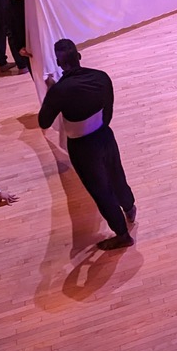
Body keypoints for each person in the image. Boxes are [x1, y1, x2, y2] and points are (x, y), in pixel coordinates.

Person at [37, 39, 138, 251]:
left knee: (100, 189)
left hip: (82, 147)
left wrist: (51, 92)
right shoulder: (101, 77)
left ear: (58, 62)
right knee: (116, 174)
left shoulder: (59, 90)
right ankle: (129, 207)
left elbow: (44, 122)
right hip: (105, 135)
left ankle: (122, 234)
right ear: (79, 57)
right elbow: (108, 113)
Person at [3, 0, 50, 75]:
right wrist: (19, 48)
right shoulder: (10, 2)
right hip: (27, 49)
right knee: (37, 77)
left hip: (42, 43)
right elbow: (11, 29)